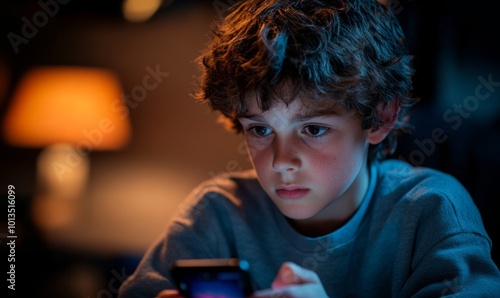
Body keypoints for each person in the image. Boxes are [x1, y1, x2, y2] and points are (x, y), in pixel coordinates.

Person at [118, 0, 500, 297]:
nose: (282, 161)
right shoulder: (216, 213)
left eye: (314, 128)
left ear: (379, 118)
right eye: (261, 129)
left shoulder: (432, 210)